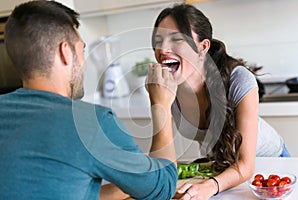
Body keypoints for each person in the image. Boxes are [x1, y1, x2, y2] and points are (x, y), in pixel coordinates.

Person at [0, 1, 178, 199]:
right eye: (82, 50)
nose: (84, 61)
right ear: (65, 52)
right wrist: (161, 105)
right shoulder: (89, 123)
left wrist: (126, 180)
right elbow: (164, 186)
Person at [150, 3, 290, 199]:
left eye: (176, 39)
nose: (163, 49)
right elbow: (162, 169)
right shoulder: (166, 91)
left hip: (269, 168)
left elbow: (245, 165)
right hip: (224, 171)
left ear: (203, 47)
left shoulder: (238, 80)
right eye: (158, 41)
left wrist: (208, 187)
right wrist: (160, 105)